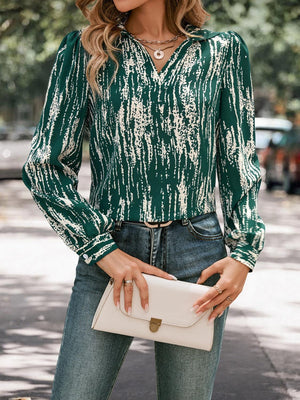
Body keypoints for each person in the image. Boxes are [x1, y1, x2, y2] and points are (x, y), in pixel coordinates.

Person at [22, 0, 266, 399]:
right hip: (111, 251)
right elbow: (44, 166)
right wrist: (101, 250)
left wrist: (244, 252)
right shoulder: (84, 49)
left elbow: (239, 159)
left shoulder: (223, 52)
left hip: (197, 257)